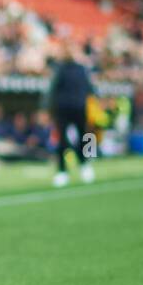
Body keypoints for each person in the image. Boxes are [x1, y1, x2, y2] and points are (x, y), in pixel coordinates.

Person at [47, 45, 94, 187]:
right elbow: (53, 91)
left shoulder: (79, 69)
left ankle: (84, 165)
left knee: (84, 137)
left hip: (75, 108)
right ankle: (64, 170)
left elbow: (89, 88)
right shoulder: (62, 69)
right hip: (66, 109)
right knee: (65, 140)